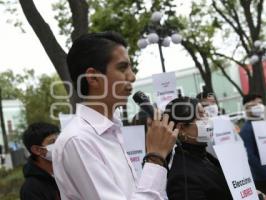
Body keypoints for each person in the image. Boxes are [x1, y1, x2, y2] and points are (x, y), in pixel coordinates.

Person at [53, 31, 178, 199]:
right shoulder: (78, 140)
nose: (132, 77)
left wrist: (163, 149)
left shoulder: (113, 129)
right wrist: (156, 156)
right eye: (122, 67)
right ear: (93, 78)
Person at [165, 97, 233, 200]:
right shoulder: (182, 179)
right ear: (182, 128)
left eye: (205, 114)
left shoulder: (205, 156)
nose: (207, 119)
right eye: (200, 116)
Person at [20, 122, 60, 200]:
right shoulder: (31, 190)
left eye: (60, 139)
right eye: (53, 141)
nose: (59, 144)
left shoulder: (63, 173)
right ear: (37, 150)